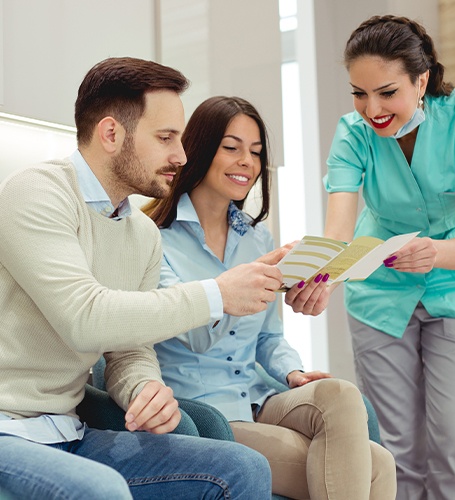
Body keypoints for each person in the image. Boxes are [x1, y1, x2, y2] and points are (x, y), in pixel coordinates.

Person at [0, 57, 284, 499]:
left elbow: (128, 349)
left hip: (69, 431)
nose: (182, 156)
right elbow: (85, 318)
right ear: (111, 134)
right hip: (6, 432)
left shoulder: (142, 234)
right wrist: (217, 294)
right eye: (166, 137)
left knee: (242, 468)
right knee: (102, 490)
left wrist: (143, 389)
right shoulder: (36, 193)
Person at [143, 95, 397, 500]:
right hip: (207, 413)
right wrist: (245, 280)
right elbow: (193, 334)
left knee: (341, 395)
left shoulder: (256, 236)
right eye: (231, 147)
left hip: (260, 399)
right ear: (199, 149)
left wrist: (293, 374)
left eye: (256, 152)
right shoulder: (152, 238)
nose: (247, 160)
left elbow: (268, 338)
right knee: (376, 466)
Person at [323, 15, 455, 500]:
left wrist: (433, 252)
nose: (371, 109)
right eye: (359, 94)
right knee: (396, 450)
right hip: (379, 294)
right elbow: (338, 231)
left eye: (386, 92)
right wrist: (318, 275)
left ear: (421, 80)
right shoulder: (352, 134)